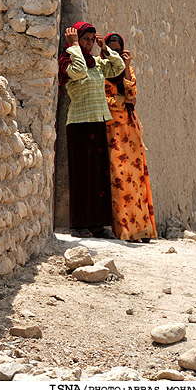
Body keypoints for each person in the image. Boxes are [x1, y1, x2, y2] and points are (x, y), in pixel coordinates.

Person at [58, 21, 125, 238]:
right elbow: (77, 72)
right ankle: (79, 225)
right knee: (82, 176)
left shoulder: (96, 62)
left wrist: (104, 47)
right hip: (79, 124)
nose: (88, 43)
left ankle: (97, 224)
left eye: (90, 39)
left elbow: (118, 67)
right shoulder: (68, 61)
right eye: (84, 38)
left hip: (98, 121)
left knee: (98, 175)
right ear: (75, 38)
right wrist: (74, 47)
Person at [102, 33, 157, 242]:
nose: (114, 54)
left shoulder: (128, 70)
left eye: (118, 50)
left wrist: (126, 66)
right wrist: (123, 100)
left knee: (136, 178)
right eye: (111, 50)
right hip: (113, 129)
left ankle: (141, 229)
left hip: (131, 130)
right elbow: (105, 99)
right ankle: (124, 230)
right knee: (119, 177)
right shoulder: (102, 70)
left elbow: (132, 93)